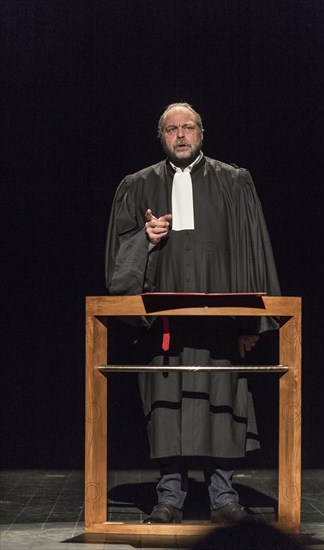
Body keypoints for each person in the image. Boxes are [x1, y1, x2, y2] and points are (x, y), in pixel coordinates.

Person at [105, 102, 280, 524]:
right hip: (165, 326)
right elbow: (117, 260)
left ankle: (222, 495)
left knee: (223, 403)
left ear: (201, 133)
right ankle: (169, 498)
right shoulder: (138, 185)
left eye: (188, 128)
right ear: (161, 136)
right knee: (167, 408)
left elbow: (254, 249)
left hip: (220, 324)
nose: (180, 135)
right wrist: (144, 239)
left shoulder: (233, 182)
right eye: (171, 129)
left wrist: (251, 321)